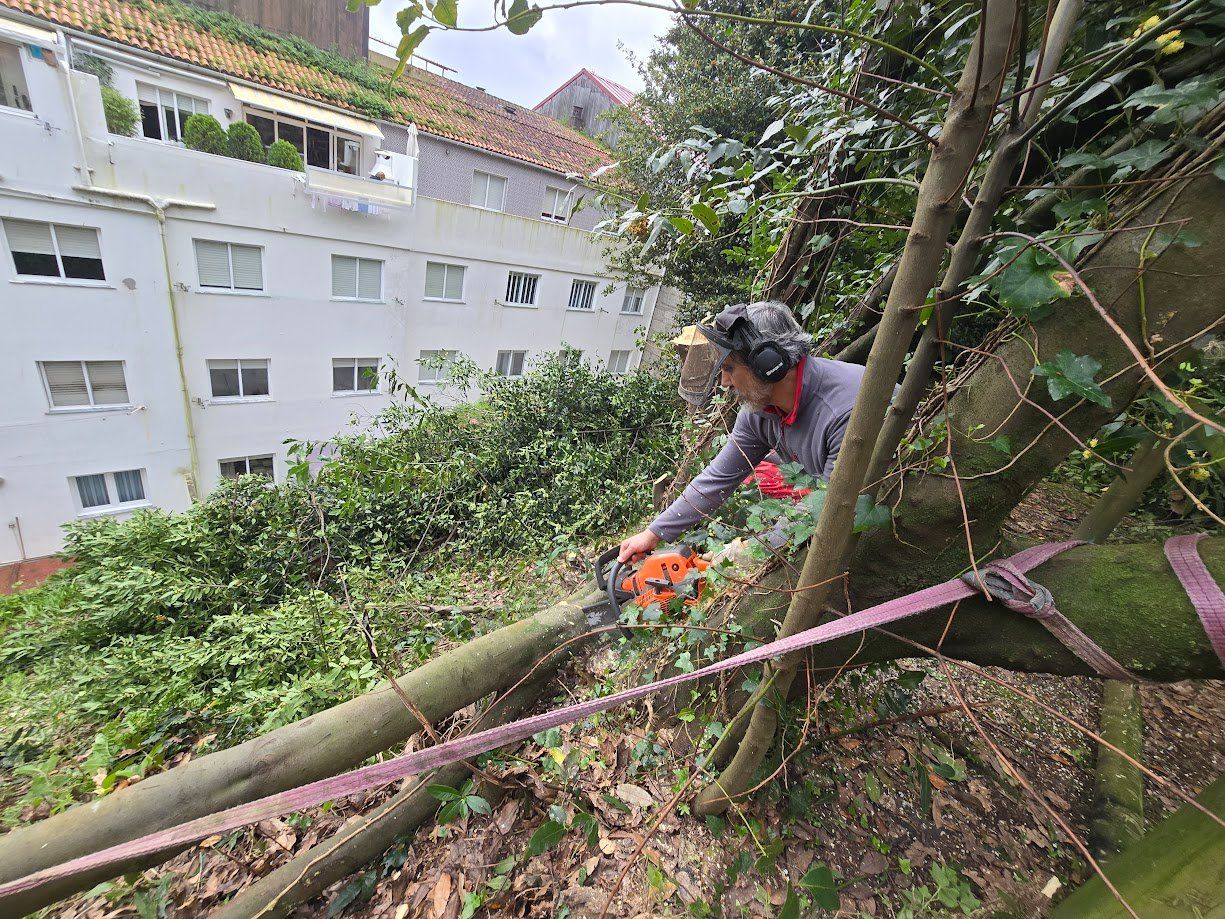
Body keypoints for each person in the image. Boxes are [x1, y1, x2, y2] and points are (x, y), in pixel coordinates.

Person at [619, 301, 867, 563]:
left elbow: (827, 509)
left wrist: (743, 556)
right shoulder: (761, 411)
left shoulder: (847, 412)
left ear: (768, 364)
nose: (725, 382)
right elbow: (718, 477)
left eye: (729, 369)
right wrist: (653, 533)